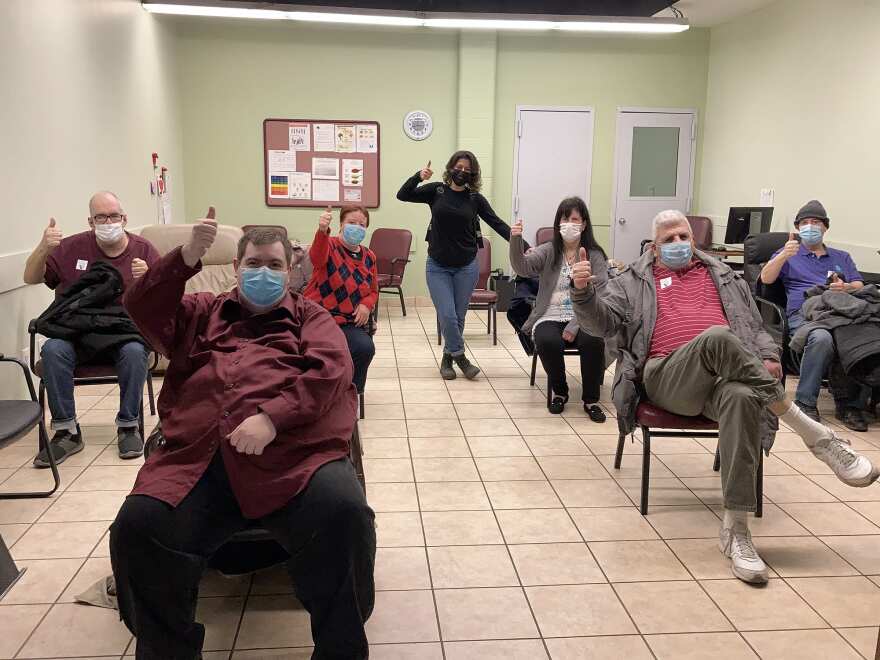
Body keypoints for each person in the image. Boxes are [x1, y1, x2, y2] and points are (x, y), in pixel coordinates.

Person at [110, 213, 376, 660]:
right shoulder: (201, 311)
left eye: (274, 265)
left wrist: (273, 417)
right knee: (137, 527)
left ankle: (340, 648)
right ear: (236, 267)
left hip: (292, 459)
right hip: (199, 460)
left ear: (289, 271)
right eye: (254, 263)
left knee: (347, 515)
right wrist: (187, 257)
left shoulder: (311, 317)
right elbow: (143, 308)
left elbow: (332, 371)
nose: (264, 273)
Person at [570, 209, 878, 584]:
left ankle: (737, 532)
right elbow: (601, 323)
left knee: (743, 397)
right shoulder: (633, 279)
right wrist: (583, 294)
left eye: (683, 236)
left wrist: (767, 356)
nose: (679, 244)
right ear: (654, 247)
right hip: (667, 377)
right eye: (669, 240)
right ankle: (813, 433)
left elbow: (754, 324)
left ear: (694, 239)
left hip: (721, 382)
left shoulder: (724, 276)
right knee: (717, 338)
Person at [23, 191, 160, 463]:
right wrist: (43, 248)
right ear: (90, 221)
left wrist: (150, 278)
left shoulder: (144, 250)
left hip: (123, 336)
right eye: (101, 217)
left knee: (135, 352)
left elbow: (167, 298)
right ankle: (67, 432)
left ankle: (128, 425)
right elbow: (30, 278)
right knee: (52, 350)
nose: (108, 221)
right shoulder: (70, 248)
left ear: (124, 218)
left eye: (113, 216)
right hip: (75, 335)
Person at [397, 151, 514, 380]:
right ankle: (462, 357)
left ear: (473, 174)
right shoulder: (436, 191)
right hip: (438, 266)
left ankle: (447, 359)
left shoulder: (475, 199)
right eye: (458, 167)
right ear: (451, 167)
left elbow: (497, 223)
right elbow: (403, 195)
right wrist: (418, 176)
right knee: (448, 316)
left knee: (458, 318)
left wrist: (521, 243)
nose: (462, 172)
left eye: (467, 169)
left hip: (466, 267)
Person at [759, 200, 869, 430]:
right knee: (822, 338)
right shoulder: (789, 252)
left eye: (816, 222)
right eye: (805, 223)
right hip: (806, 314)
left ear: (825, 227)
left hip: (838, 312)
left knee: (861, 340)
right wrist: (782, 256)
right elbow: (765, 279)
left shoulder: (841, 256)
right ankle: (805, 402)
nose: (810, 226)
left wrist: (846, 287)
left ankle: (850, 405)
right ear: (798, 228)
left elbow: (859, 283)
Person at [509, 197, 608, 420]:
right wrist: (515, 240)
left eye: (574, 219)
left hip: (585, 317)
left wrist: (575, 325)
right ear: (558, 223)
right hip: (550, 314)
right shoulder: (548, 250)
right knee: (547, 340)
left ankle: (591, 399)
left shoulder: (595, 255)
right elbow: (522, 268)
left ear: (584, 224)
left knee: (593, 341)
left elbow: (602, 291)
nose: (569, 224)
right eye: (565, 219)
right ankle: (560, 392)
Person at [304, 205, 378, 394]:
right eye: (351, 223)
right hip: (318, 317)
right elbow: (316, 258)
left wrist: (366, 305)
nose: (357, 227)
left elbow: (373, 291)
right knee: (323, 351)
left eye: (362, 224)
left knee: (364, 348)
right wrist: (322, 231)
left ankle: (349, 394)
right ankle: (319, 393)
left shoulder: (369, 256)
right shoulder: (329, 244)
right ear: (341, 224)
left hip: (347, 320)